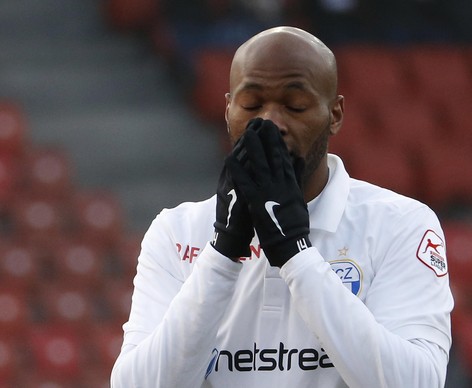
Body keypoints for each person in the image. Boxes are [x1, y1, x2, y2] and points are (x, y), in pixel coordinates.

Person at [110, 26, 453, 387]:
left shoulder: (400, 224)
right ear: (228, 109)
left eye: (295, 106)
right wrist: (223, 252)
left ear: (334, 114)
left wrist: (295, 254)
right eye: (252, 104)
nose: (271, 123)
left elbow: (418, 383)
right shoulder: (176, 232)